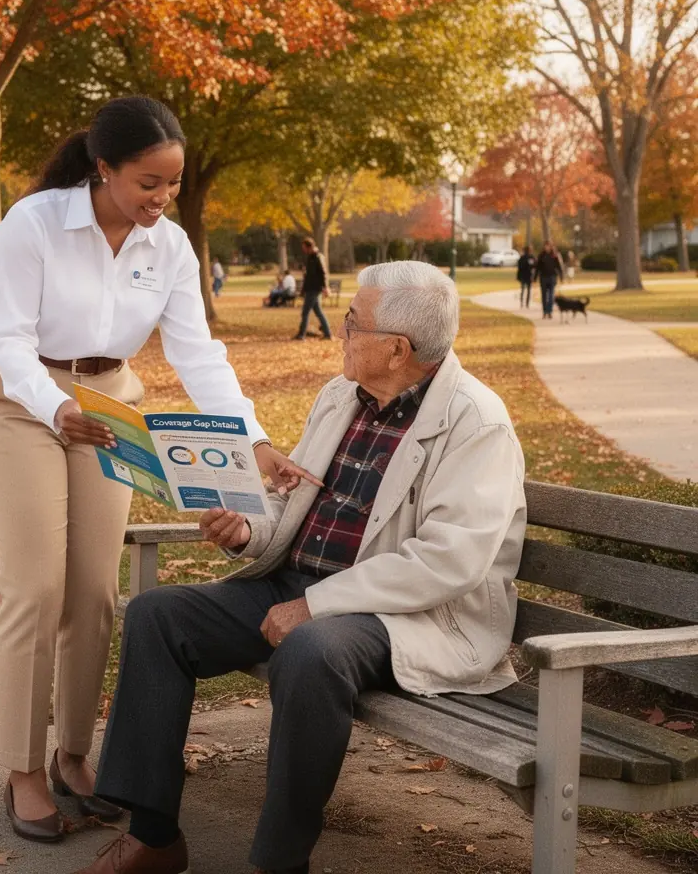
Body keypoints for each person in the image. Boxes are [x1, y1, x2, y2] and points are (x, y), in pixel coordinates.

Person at [75, 261, 527, 874]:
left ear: (398, 349)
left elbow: (448, 562)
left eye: (353, 323)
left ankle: (279, 861)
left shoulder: (477, 423)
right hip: (299, 584)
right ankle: (154, 838)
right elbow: (293, 500)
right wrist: (247, 530)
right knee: (159, 615)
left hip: (400, 612)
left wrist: (315, 605)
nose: (341, 331)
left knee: (311, 652)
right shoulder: (342, 395)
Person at [0, 96, 317, 847]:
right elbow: (10, 338)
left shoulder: (171, 246)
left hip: (108, 405)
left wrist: (254, 439)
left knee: (93, 592)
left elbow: (197, 353)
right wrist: (53, 407)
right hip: (19, 402)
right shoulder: (34, 222)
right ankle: (23, 770)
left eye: (173, 184)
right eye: (148, 183)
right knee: (36, 587)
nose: (162, 198)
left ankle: (72, 757)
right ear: (104, 169)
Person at [292, 238, 331, 340]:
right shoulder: (310, 257)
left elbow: (323, 273)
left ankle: (301, 334)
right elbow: (308, 275)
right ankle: (327, 334)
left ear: (309, 247)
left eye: (304, 248)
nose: (303, 250)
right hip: (310, 288)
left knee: (305, 312)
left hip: (314, 289)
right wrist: (303, 290)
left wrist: (325, 287)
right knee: (318, 312)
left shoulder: (318, 257)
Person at [536, 241, 563, 319]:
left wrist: (561, 277)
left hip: (552, 277)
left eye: (548, 246)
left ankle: (549, 311)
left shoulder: (554, 255)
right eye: (546, 246)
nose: (547, 247)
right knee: (544, 296)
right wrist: (535, 277)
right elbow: (538, 267)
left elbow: (559, 266)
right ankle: (545, 311)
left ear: (551, 247)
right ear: (544, 247)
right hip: (543, 278)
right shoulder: (541, 255)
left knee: (551, 295)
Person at [516, 245, 536, 309]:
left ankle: (523, 303)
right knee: (527, 290)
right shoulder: (530, 257)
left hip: (525, 276)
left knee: (524, 290)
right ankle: (526, 303)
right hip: (527, 276)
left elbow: (519, 267)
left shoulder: (524, 257)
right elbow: (534, 266)